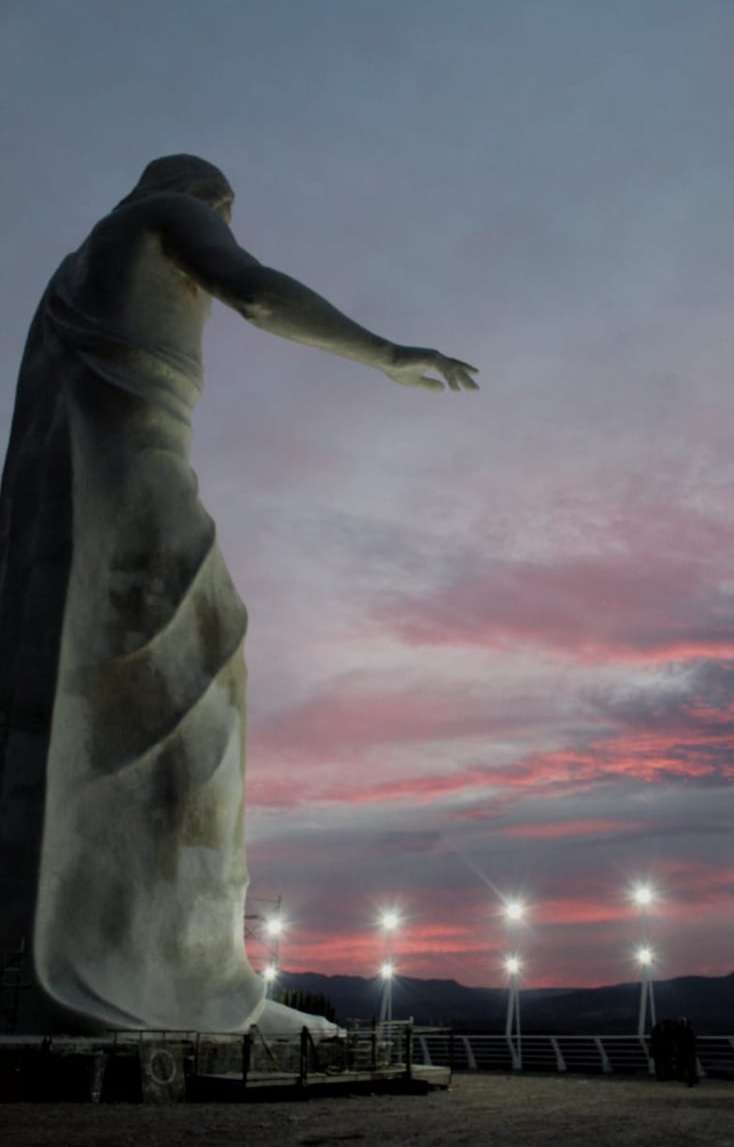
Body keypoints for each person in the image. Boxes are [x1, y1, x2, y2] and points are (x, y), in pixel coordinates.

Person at [0, 154, 478, 1035]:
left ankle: (115, 956)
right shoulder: (165, 215)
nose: (222, 220)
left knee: (137, 685)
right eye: (224, 208)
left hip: (76, 495)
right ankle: (172, 976)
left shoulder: (71, 269)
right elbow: (253, 291)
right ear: (201, 196)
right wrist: (388, 355)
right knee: (201, 665)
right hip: (133, 479)